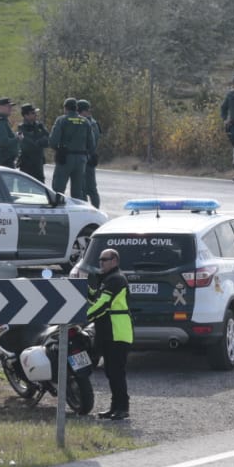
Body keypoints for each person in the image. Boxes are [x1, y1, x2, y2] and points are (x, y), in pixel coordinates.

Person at [85, 247, 132, 420]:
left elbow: (103, 304)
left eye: (104, 259)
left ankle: (123, 408)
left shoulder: (116, 279)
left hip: (118, 332)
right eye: (100, 260)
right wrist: (88, 289)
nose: (101, 263)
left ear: (114, 261)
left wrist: (83, 317)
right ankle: (115, 407)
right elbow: (95, 300)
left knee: (116, 372)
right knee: (111, 372)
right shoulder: (107, 279)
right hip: (108, 332)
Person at [48, 97, 93, 201]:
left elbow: (53, 141)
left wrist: (58, 150)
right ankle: (78, 213)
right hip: (81, 159)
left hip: (65, 158)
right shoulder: (85, 121)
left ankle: (57, 212)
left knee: (58, 189)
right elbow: (91, 144)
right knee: (78, 192)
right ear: (76, 108)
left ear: (65, 108)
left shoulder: (62, 120)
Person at [76, 99, 101, 208]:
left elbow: (91, 141)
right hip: (85, 157)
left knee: (88, 188)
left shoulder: (89, 124)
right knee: (83, 188)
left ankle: (93, 211)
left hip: (87, 158)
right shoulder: (91, 122)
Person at [17, 103, 49, 184]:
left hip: (38, 162)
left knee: (40, 187)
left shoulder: (39, 126)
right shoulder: (21, 128)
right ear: (26, 115)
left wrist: (39, 142)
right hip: (26, 163)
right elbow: (28, 145)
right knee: (24, 186)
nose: (36, 115)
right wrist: (39, 141)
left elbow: (49, 140)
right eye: (33, 113)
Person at [0, 98, 19, 168]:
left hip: (4, 160)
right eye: (8, 106)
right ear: (0, 107)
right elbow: (3, 142)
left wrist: (15, 136)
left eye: (11, 106)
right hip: (3, 161)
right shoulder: (1, 122)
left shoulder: (3, 121)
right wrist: (17, 138)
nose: (10, 108)